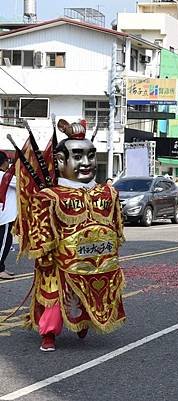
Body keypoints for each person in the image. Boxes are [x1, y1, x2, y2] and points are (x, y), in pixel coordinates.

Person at [14, 119, 126, 352]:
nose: (86, 163)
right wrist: (45, 255)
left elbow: (116, 227)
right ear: (61, 160)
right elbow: (40, 231)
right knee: (53, 294)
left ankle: (85, 320)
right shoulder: (50, 197)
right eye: (78, 156)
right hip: (61, 262)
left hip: (97, 261)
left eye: (91, 156)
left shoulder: (107, 192)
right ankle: (49, 334)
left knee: (98, 290)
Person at [0, 151, 16, 280]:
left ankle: (2, 266)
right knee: (4, 243)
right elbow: (24, 184)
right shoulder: (5, 177)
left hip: (3, 215)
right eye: (8, 161)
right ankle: (0, 269)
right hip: (5, 216)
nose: (9, 164)